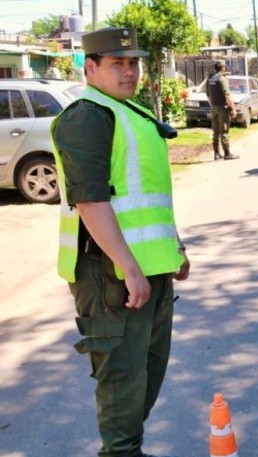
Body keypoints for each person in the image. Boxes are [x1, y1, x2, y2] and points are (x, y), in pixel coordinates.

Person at [51, 27, 190, 457]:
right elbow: (91, 201)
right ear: (90, 67)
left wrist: (175, 247)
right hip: (111, 277)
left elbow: (148, 194)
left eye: (134, 63)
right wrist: (129, 268)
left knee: (144, 380)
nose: (129, 71)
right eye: (117, 63)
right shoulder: (88, 116)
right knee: (123, 387)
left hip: (150, 270)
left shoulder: (128, 112)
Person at [206, 60, 239, 160]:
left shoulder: (210, 79)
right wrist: (233, 109)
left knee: (215, 131)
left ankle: (216, 154)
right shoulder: (222, 79)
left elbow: (208, 95)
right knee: (224, 131)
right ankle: (227, 153)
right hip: (222, 108)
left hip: (214, 107)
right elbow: (227, 95)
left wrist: (212, 106)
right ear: (223, 67)